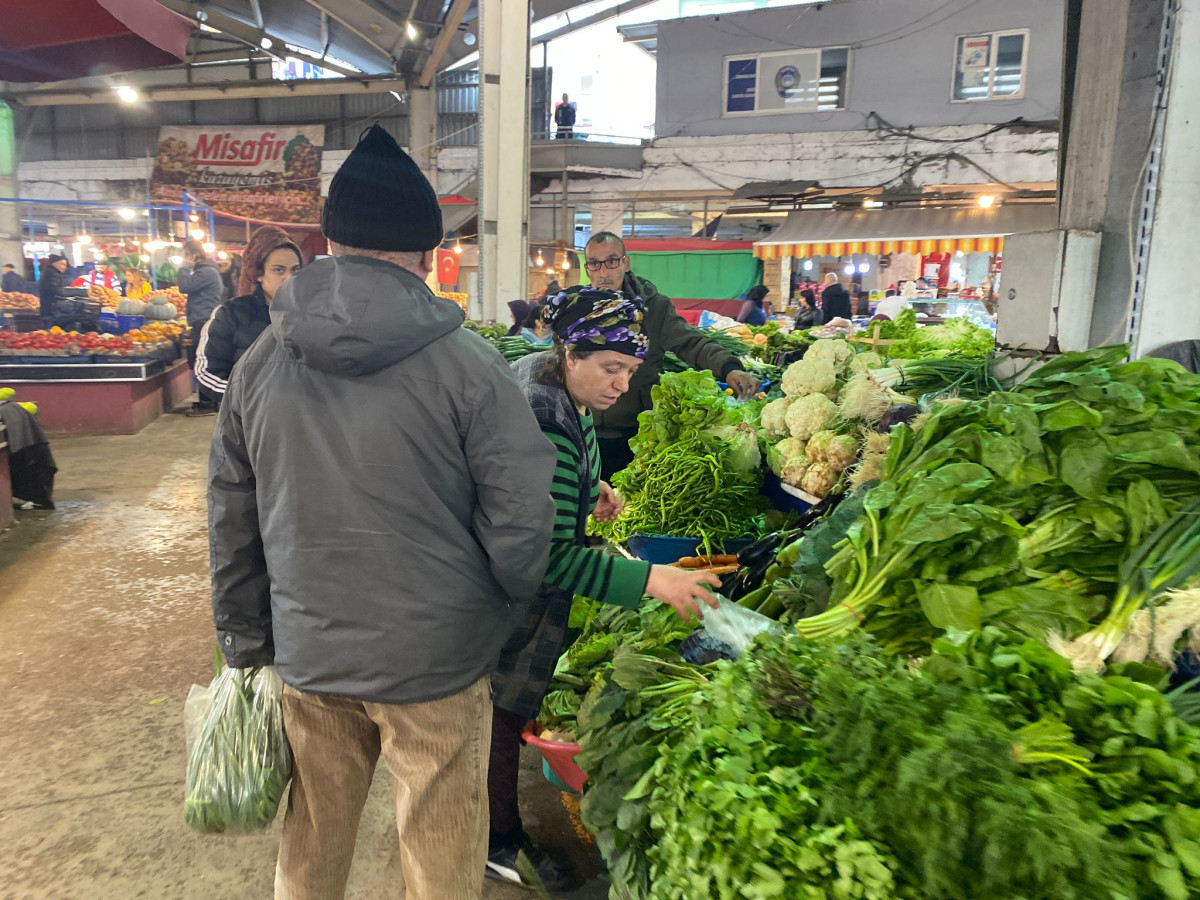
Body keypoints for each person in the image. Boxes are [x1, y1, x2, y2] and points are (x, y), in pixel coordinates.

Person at [208, 123, 557, 900]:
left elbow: (232, 513)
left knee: (312, 841)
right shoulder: (472, 367)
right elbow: (522, 519)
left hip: (309, 652)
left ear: (330, 242)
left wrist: (245, 638)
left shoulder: (261, 362)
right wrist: (495, 611)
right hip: (435, 661)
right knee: (438, 850)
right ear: (428, 253)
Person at [488, 288, 722, 889]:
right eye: (610, 368)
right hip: (506, 594)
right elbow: (548, 560)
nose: (621, 385)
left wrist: (591, 488)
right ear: (570, 353)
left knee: (501, 710)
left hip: (511, 574)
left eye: (630, 371)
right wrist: (652, 578)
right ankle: (497, 838)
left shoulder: (557, 386)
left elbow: (561, 472)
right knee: (501, 712)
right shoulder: (547, 421)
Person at [582, 231, 762, 478]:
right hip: (584, 434)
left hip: (638, 435)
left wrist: (729, 367)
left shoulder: (654, 308)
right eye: (594, 263)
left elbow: (691, 342)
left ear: (626, 262)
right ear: (587, 268)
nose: (603, 272)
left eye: (611, 261)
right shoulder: (578, 310)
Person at [194, 226, 302, 410]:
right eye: (278, 270)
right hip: (247, 425)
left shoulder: (312, 315)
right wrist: (252, 400)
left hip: (301, 424)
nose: (288, 278)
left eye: (295, 270)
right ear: (259, 274)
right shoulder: (230, 314)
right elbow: (207, 372)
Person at [178, 239, 225, 413]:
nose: (184, 259)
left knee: (201, 361)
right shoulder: (208, 271)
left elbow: (184, 286)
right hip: (203, 319)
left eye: (186, 255)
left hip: (203, 320)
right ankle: (208, 400)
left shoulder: (206, 272)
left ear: (194, 255)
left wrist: (184, 267)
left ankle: (207, 403)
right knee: (203, 360)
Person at [37, 254, 68, 328]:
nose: (64, 267)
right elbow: (54, 289)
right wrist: (66, 294)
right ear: (54, 263)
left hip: (47, 307)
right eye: (62, 264)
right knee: (52, 331)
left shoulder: (49, 272)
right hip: (52, 308)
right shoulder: (52, 273)